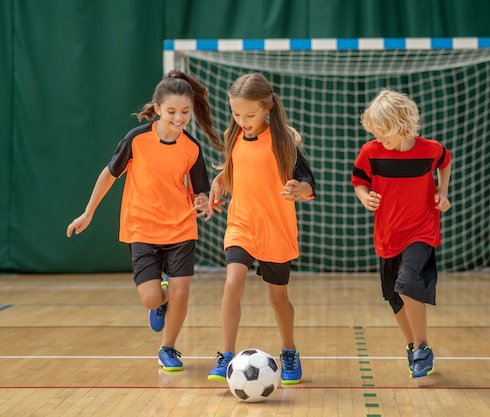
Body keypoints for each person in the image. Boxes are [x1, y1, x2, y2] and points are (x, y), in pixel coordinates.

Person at [66, 71, 223, 372]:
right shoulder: (136, 139)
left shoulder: (191, 148)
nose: (179, 118)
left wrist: (202, 200)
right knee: (152, 298)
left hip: (180, 228)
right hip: (142, 228)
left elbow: (198, 189)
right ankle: (160, 300)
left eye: (185, 112)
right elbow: (109, 174)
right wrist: (88, 212)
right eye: (172, 111)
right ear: (158, 108)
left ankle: (168, 348)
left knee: (181, 291)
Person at [206, 73, 316, 385]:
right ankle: (226, 354)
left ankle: (289, 350)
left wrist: (300, 190)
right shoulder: (234, 136)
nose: (242, 120)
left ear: (266, 108)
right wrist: (218, 183)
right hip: (241, 224)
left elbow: (309, 183)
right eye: (236, 114)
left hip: (276, 230)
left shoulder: (283, 142)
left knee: (278, 299)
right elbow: (234, 170)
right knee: (232, 284)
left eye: (249, 115)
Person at [351, 89, 452, 378]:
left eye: (384, 134)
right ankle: (413, 346)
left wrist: (442, 193)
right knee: (393, 296)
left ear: (402, 125)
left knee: (407, 282)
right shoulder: (371, 152)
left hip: (421, 229)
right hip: (387, 235)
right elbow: (358, 180)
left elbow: (446, 161)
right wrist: (364, 196)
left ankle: (422, 348)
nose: (379, 140)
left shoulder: (430, 149)